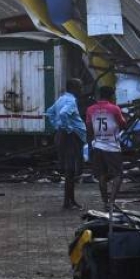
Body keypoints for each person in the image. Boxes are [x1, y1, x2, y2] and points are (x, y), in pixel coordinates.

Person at [46, 79, 87, 211]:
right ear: (74, 88)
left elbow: (50, 112)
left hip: (64, 135)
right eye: (80, 87)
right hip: (70, 138)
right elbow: (63, 113)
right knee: (71, 170)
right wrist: (68, 128)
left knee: (70, 170)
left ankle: (69, 201)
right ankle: (69, 202)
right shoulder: (71, 101)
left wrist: (57, 125)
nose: (81, 90)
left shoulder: (61, 99)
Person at [85, 86, 127, 207]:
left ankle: (105, 202)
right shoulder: (114, 109)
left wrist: (91, 145)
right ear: (111, 96)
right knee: (118, 174)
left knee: (101, 175)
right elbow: (123, 124)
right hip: (112, 146)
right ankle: (112, 202)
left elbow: (89, 129)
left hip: (98, 145)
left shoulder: (90, 110)